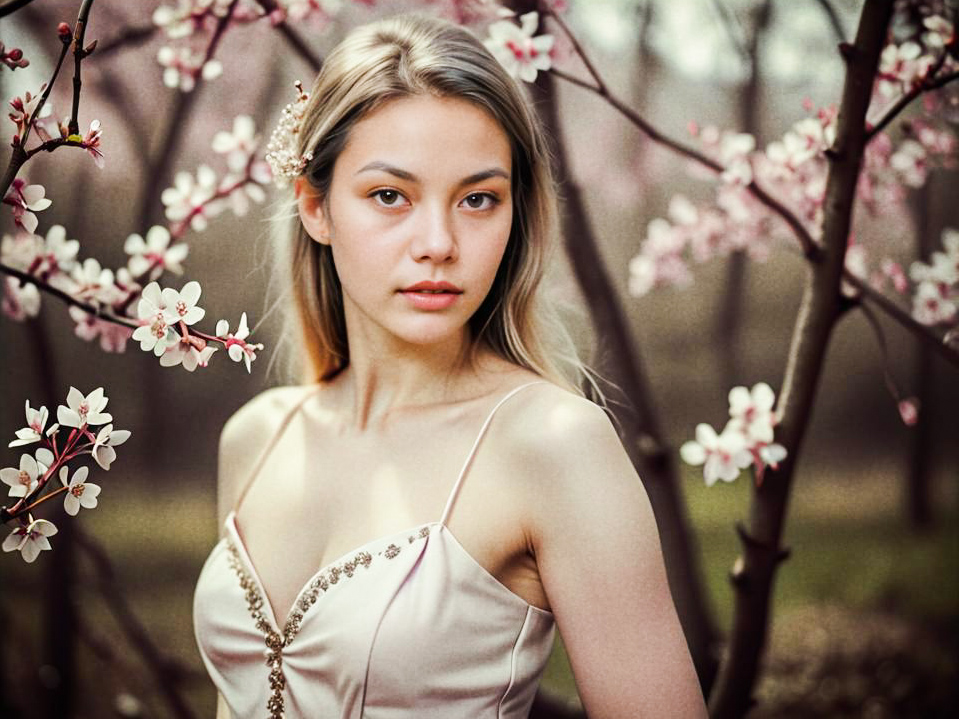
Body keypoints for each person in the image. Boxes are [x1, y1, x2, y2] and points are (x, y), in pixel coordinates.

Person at [193, 12, 707, 719]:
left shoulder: (554, 444)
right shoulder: (256, 439)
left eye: (476, 199)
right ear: (315, 205)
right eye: (389, 195)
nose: (437, 242)